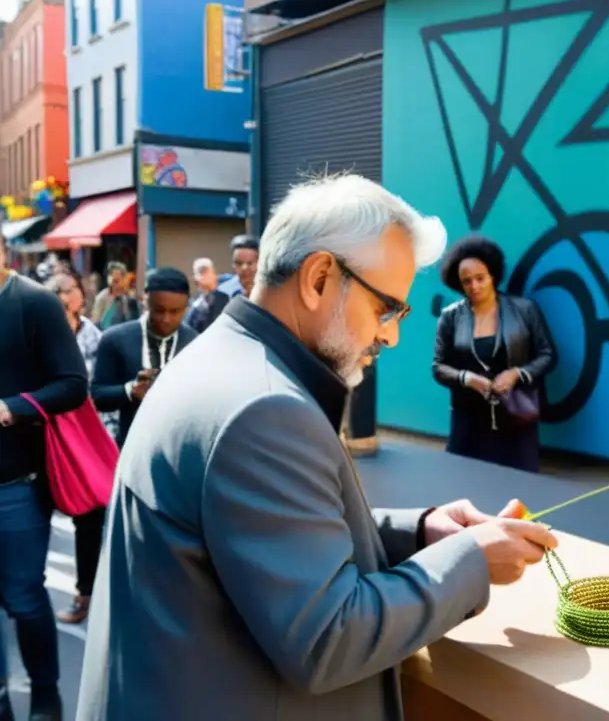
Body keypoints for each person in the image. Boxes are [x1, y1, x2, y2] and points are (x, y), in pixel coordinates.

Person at [76, 174, 557, 721]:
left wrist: (418, 531)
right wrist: (469, 559)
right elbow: (330, 637)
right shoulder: (263, 407)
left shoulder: (225, 360)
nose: (392, 335)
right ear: (319, 277)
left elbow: (267, 532)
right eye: (386, 309)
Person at [0, 235, 88, 721]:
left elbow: (74, 385)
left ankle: (46, 695)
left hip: (18, 484)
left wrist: (9, 409)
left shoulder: (32, 304)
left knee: (25, 599)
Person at [432, 235, 557, 472]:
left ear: (493, 275)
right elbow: (438, 366)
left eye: (480, 278)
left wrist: (517, 374)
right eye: (466, 281)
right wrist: (467, 379)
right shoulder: (450, 317)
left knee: (519, 491)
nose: (474, 287)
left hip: (516, 421)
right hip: (467, 423)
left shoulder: (524, 310)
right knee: (465, 487)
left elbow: (548, 355)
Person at [47, 273, 110, 625]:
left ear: (78, 297)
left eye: (65, 290)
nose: (59, 296)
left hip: (91, 435)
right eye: (53, 291)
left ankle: (86, 594)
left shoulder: (94, 336)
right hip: (51, 435)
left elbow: (97, 387)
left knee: (90, 518)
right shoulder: (39, 335)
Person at [90, 267, 198, 448]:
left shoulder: (196, 343)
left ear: (187, 306)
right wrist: (131, 390)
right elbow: (98, 396)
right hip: (130, 450)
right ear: (145, 301)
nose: (166, 318)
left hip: (181, 451)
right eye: (159, 310)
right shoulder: (115, 339)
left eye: (176, 311)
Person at [184, 257, 229, 333]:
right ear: (195, 279)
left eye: (206, 272)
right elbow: (190, 327)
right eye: (201, 273)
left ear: (214, 275)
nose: (203, 277)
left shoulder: (225, 298)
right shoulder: (194, 305)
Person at [90, 262, 140, 329]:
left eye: (121, 280)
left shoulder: (127, 299)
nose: (119, 285)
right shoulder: (101, 298)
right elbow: (94, 323)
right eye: (115, 281)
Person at [217, 234, 259, 299]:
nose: (244, 268)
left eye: (249, 263)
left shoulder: (270, 291)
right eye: (239, 263)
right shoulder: (222, 292)